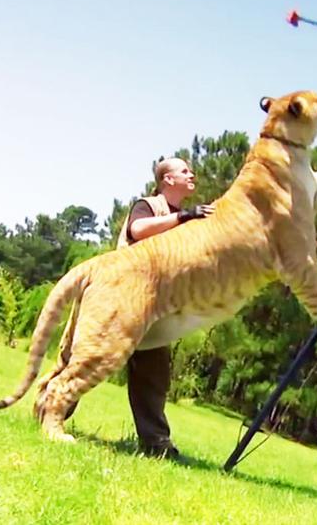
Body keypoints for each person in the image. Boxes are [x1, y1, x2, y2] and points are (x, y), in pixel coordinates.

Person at [116, 157, 214, 459]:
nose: (192, 174)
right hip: (124, 298)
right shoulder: (150, 206)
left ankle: (156, 443)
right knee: (90, 358)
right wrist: (184, 217)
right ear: (167, 180)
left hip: (156, 308)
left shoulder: (187, 218)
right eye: (184, 171)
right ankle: (53, 410)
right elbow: (138, 228)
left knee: (154, 375)